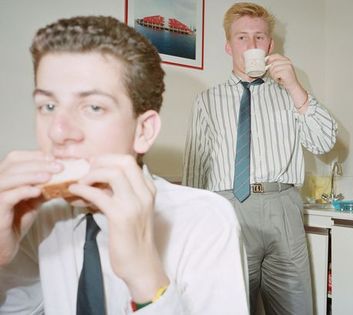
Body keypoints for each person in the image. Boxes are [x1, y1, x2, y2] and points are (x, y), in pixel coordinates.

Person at [0, 16, 249, 315]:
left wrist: (145, 277)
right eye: (48, 106)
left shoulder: (204, 220)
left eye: (93, 107)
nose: (58, 131)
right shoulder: (38, 217)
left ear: (143, 131)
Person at [183, 2, 337, 315]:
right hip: (228, 211)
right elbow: (195, 170)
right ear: (229, 46)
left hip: (284, 208)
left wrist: (295, 86)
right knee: (230, 307)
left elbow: (324, 141)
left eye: (259, 37)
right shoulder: (207, 100)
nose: (251, 44)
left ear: (270, 44)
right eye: (242, 38)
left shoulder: (290, 93)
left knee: (295, 308)